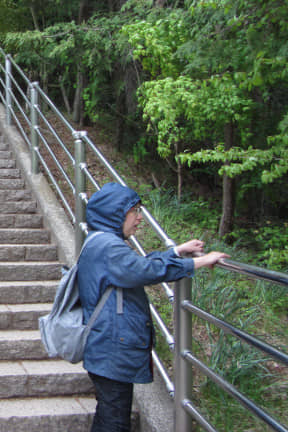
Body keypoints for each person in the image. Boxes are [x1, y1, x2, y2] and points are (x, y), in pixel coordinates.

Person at [77, 182, 228, 432]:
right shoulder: (108, 246)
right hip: (110, 347)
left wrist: (176, 251)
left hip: (106, 346)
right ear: (116, 212)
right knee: (115, 421)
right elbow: (145, 270)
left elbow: (135, 265)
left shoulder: (101, 242)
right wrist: (199, 262)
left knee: (109, 414)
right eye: (134, 211)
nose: (139, 218)